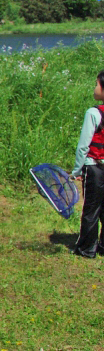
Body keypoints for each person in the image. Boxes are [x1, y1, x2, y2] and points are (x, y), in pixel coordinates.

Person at [70, 69, 104, 258]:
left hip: (95, 167)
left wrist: (76, 170)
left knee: (91, 209)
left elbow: (84, 146)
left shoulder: (93, 113)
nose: (94, 87)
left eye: (97, 84)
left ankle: (87, 249)